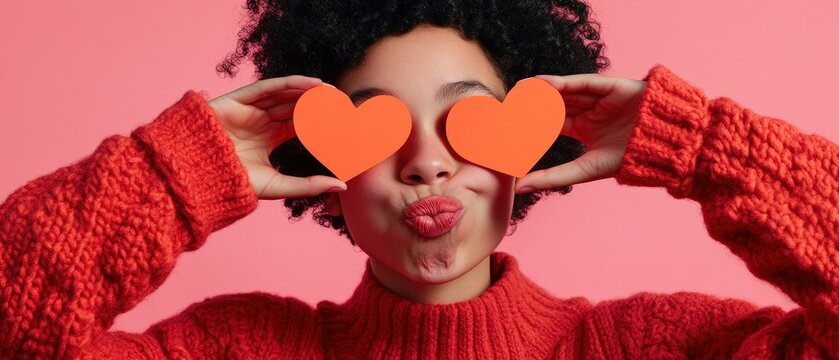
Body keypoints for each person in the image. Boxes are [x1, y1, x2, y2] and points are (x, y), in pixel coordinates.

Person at [1, 0, 836, 359]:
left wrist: (701, 145)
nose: (427, 162)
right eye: (379, 126)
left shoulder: (656, 346)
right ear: (318, 160)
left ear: (532, 136)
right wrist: (171, 169)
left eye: (468, 120)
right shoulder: (233, 346)